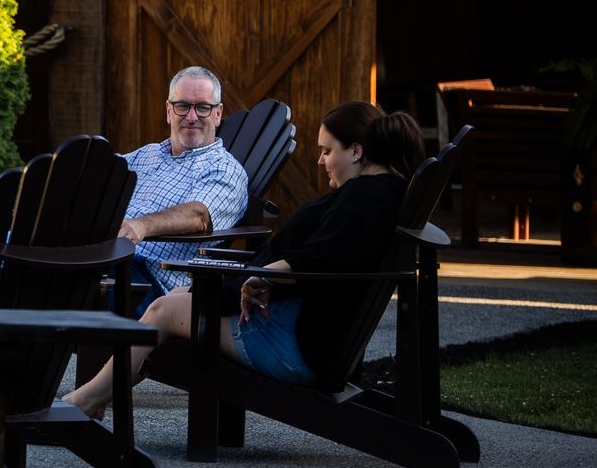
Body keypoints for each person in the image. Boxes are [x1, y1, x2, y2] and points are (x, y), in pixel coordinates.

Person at [0, 64, 248, 395]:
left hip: (136, 279)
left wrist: (140, 226)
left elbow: (200, 215)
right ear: (169, 110)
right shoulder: (148, 155)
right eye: (183, 106)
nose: (192, 116)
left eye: (202, 108)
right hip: (89, 254)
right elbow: (95, 180)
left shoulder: (224, 169)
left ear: (218, 114)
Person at [63, 101, 425, 417]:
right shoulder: (376, 194)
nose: (321, 160)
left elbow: (324, 258)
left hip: (296, 347)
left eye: (327, 151)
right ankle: (90, 399)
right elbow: (329, 254)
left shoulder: (366, 200)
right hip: (306, 334)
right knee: (173, 299)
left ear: (357, 152)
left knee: (162, 312)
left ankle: (83, 402)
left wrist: (262, 276)